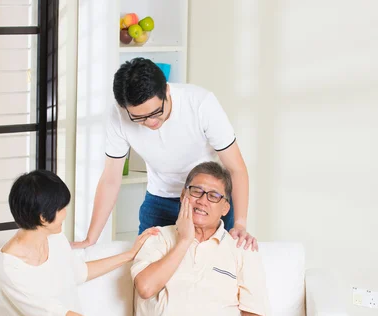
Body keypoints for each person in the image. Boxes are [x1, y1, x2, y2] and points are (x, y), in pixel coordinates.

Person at [72, 57, 257, 251]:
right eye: (139, 118)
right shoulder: (118, 115)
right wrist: (90, 238)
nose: (150, 122)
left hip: (207, 198)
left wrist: (240, 225)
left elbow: (236, 168)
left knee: (215, 266)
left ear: (166, 91)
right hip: (160, 198)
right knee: (146, 264)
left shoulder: (201, 104)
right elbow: (110, 178)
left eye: (155, 112)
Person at [0, 170, 157, 316]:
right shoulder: (10, 268)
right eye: (62, 208)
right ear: (44, 218)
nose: (65, 213)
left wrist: (129, 255)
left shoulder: (54, 239)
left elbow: (79, 272)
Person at [131, 162, 270, 316]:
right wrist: (185, 240)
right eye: (196, 191)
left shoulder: (241, 248)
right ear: (184, 195)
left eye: (214, 196)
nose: (203, 200)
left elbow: (257, 314)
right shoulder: (157, 237)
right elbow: (145, 287)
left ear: (226, 207)